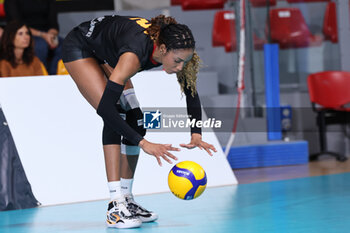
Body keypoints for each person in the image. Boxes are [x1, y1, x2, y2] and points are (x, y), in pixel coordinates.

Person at [62, 14, 217, 229]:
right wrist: (144, 144)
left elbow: (190, 89)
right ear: (162, 49)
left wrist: (196, 133)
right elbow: (105, 109)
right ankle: (115, 205)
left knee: (136, 118)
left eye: (185, 61)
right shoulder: (134, 55)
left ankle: (127, 199)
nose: (181, 67)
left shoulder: (180, 48)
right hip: (82, 45)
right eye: (177, 61)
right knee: (115, 112)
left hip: (109, 49)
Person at [4, 0, 62, 75]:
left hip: (47, 34)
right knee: (40, 46)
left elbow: (54, 24)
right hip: (26, 33)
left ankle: (55, 76)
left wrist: (51, 36)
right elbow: (16, 25)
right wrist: (42, 35)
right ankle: (41, 76)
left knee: (66, 45)